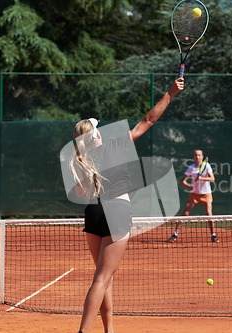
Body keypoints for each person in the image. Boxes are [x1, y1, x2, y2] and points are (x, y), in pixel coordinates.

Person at [70, 78, 184, 333]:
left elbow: (81, 192)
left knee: (103, 277)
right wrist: (170, 93)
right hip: (117, 211)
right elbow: (148, 121)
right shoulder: (115, 145)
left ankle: (109, 330)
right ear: (96, 134)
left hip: (93, 213)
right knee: (101, 278)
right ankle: (82, 332)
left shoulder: (80, 159)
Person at [168, 149, 219, 243]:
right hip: (194, 194)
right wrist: (189, 186)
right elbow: (183, 181)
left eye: (199, 155)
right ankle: (175, 234)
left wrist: (202, 178)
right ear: (193, 157)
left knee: (209, 214)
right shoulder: (191, 167)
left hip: (206, 194)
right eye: (195, 155)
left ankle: (213, 235)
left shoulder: (207, 166)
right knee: (185, 214)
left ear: (202, 156)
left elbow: (212, 179)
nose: (197, 157)